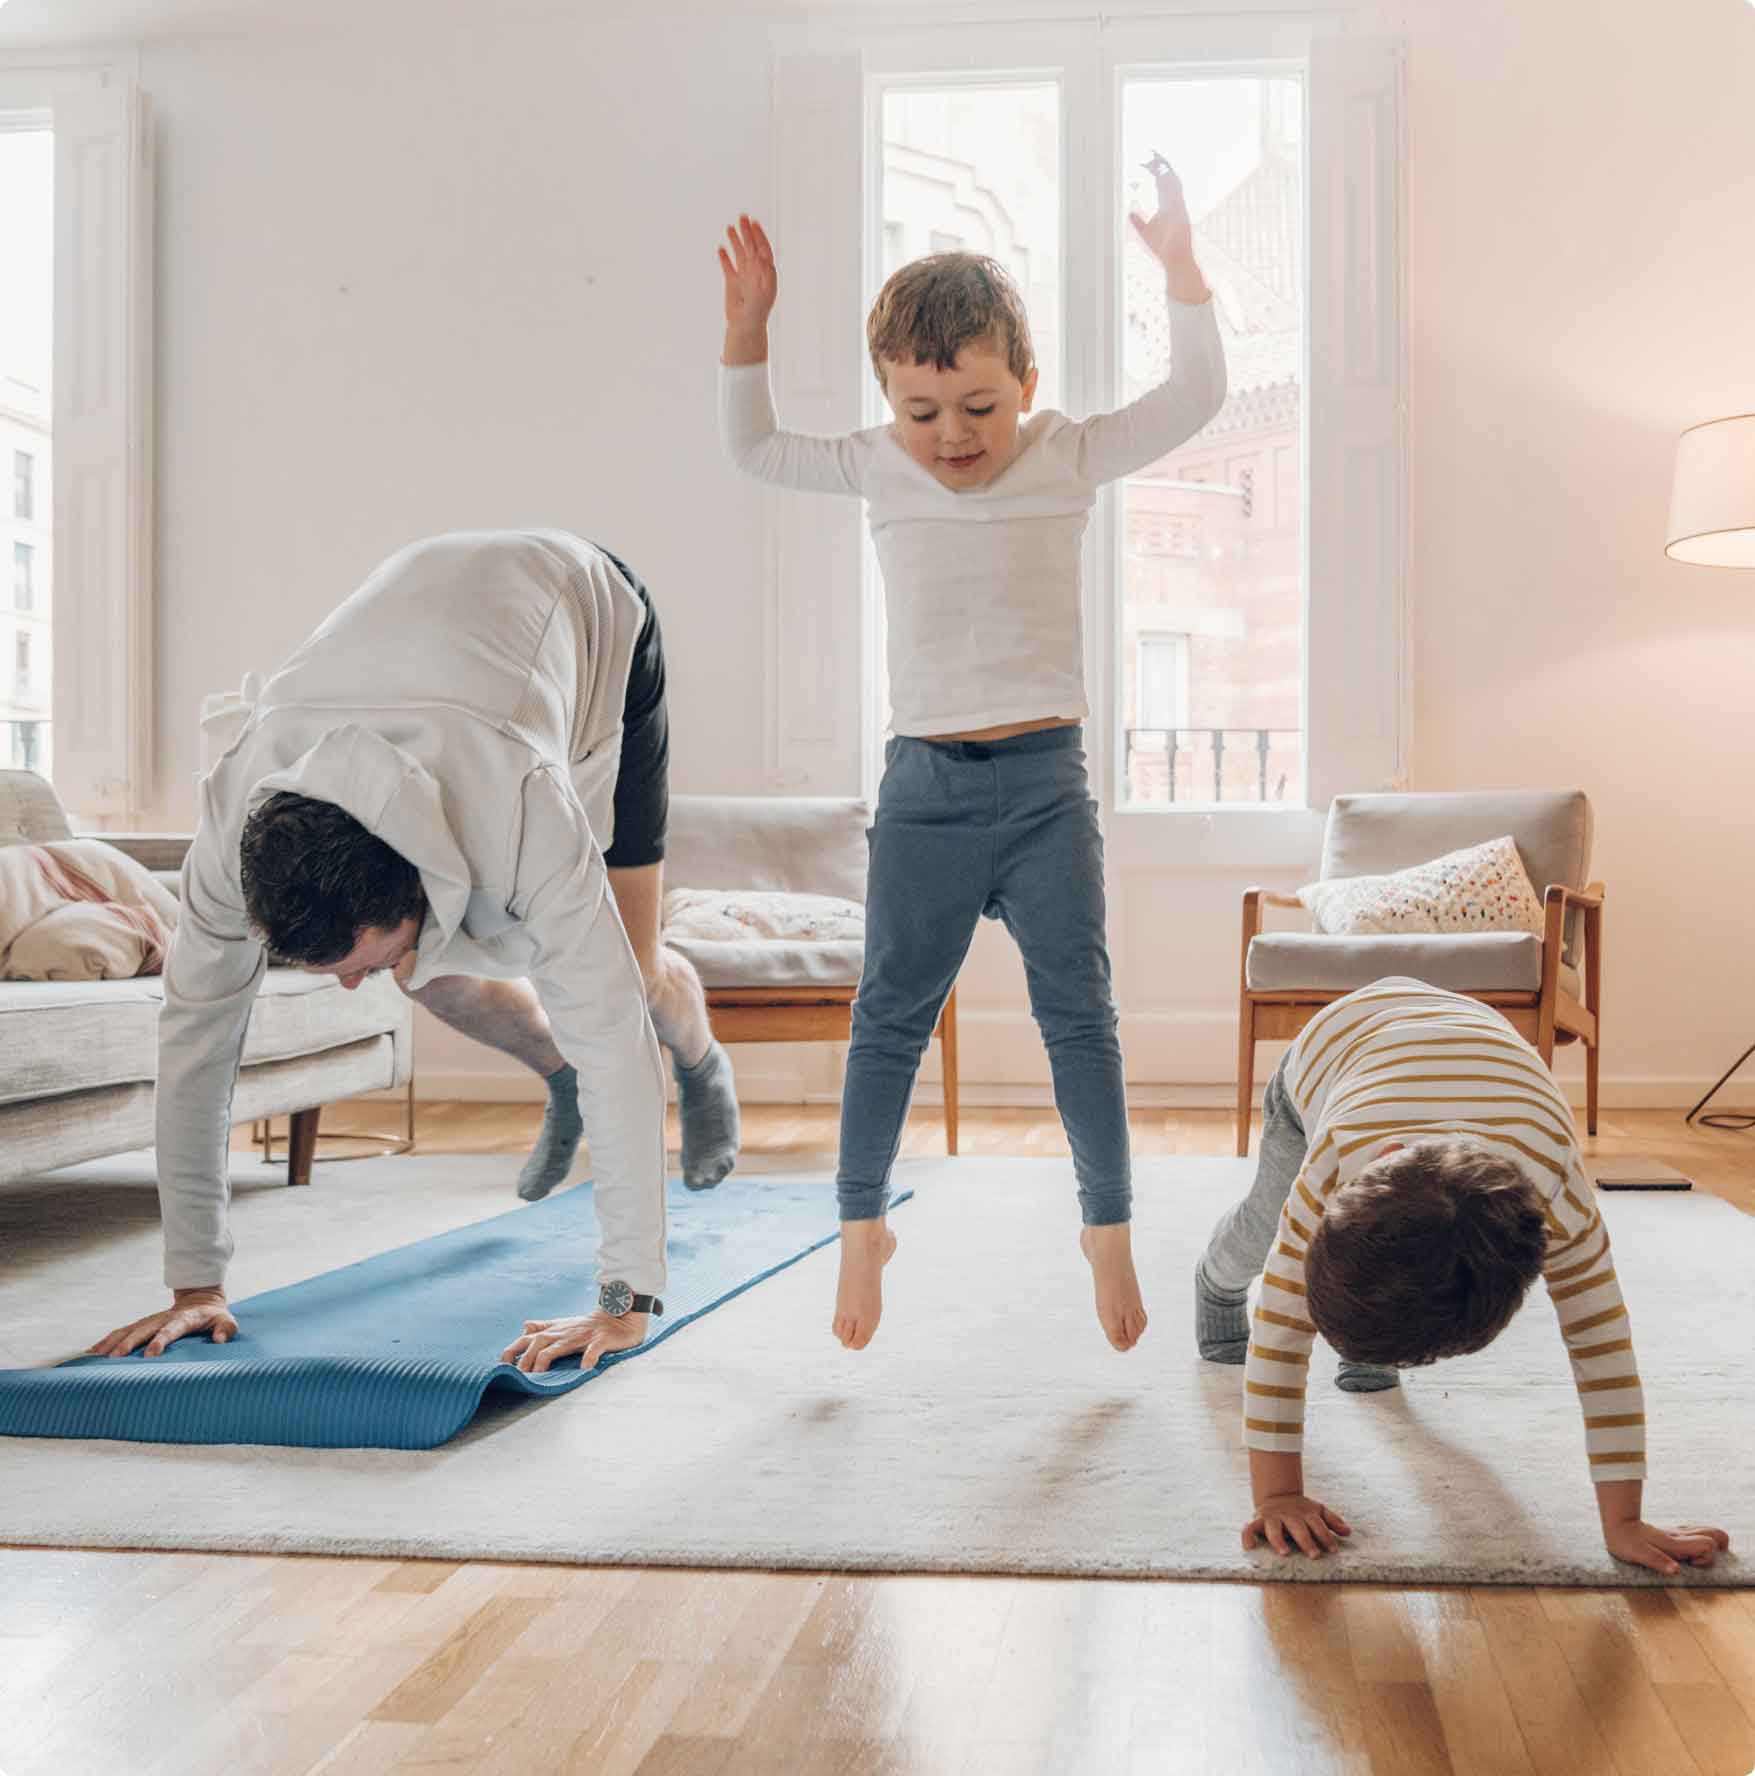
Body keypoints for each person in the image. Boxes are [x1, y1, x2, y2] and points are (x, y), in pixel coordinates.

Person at [716, 158, 1226, 1352]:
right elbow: (751, 449)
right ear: (891, 403)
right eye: (923, 412)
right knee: (888, 1018)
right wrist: (748, 328)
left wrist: (1186, 277)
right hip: (925, 791)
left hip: (1048, 786)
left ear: (1027, 388)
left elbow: (1196, 398)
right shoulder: (870, 464)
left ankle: (1107, 1229)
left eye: (980, 409)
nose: (952, 437)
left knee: (1079, 1014)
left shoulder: (1067, 452)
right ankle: (860, 1232)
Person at [88, 530, 741, 1374]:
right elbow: (193, 1047)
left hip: (591, 614)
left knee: (634, 975)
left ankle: (701, 1060)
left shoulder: (523, 809)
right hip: (428, 646)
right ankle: (556, 1072)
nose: (353, 986)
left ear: (414, 888)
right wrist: (194, 1285)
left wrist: (624, 1302)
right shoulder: (229, 829)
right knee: (421, 974)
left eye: (354, 961)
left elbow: (613, 1034)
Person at [1196, 976, 1730, 1577]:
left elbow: (1601, 1349)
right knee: (1264, 1224)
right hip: (1328, 1055)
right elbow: (1280, 1329)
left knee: (1399, 1293)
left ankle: (1370, 1348)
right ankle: (1215, 1281)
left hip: (1459, 1049)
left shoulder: (1560, 1195)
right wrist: (1277, 1495)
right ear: (1377, 1162)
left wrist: (1624, 1520)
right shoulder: (1335, 1157)